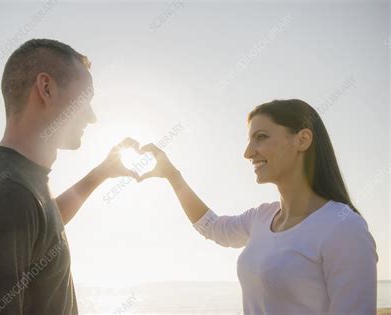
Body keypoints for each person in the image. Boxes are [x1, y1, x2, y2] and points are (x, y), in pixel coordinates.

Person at [0, 39, 139, 314]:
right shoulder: (6, 195)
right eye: (86, 99)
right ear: (46, 89)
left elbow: (42, 225)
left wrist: (101, 173)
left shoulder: (18, 183)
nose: (92, 117)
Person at [138, 99, 378, 315]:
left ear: (302, 140)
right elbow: (212, 227)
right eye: (249, 140)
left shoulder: (343, 228)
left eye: (261, 137)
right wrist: (173, 176)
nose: (247, 152)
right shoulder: (262, 217)